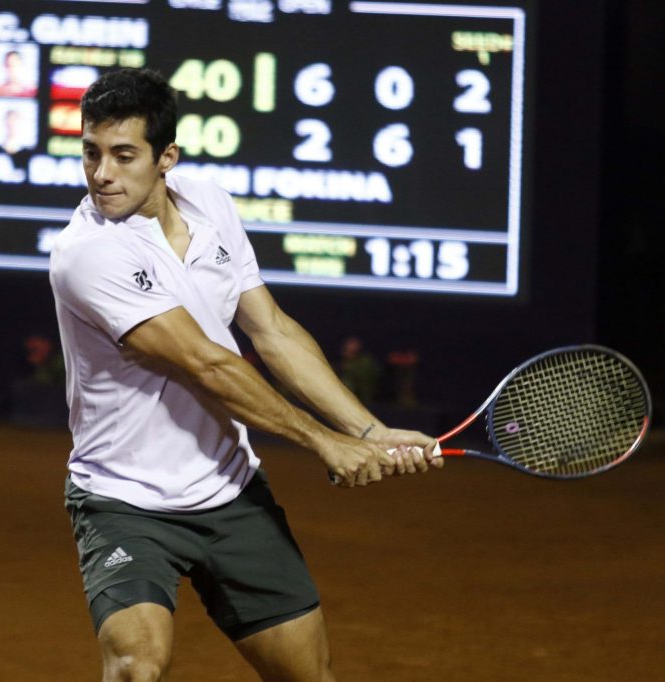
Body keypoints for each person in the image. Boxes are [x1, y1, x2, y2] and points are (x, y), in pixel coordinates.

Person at [49, 68, 443, 682]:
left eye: (124, 155)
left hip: (230, 493)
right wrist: (323, 443)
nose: (102, 173)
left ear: (166, 158)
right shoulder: (88, 252)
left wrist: (367, 431)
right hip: (123, 501)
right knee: (136, 666)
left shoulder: (209, 202)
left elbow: (273, 332)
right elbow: (208, 364)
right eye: (91, 153)